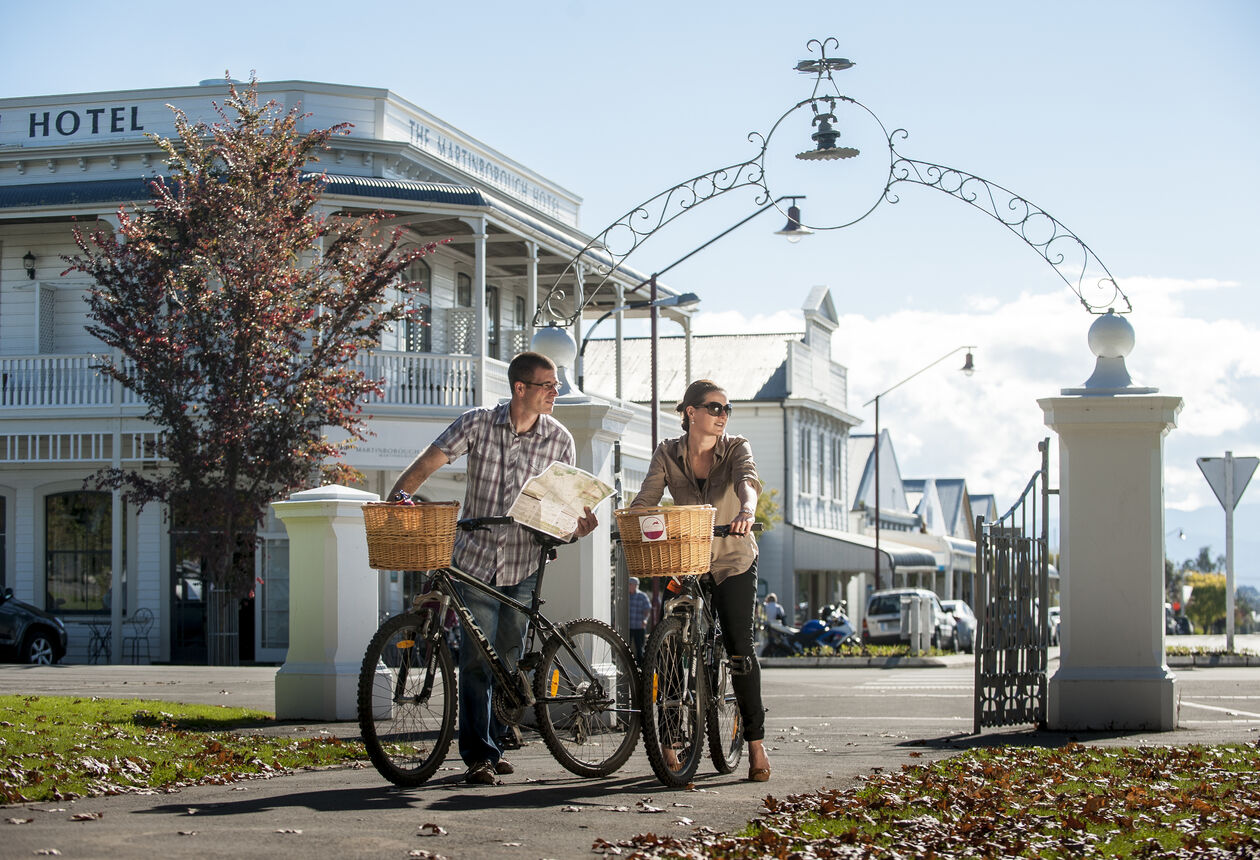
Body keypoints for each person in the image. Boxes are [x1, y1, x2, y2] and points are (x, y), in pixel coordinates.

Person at [386, 351, 598, 786]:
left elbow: (565, 500)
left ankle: (499, 738)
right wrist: (397, 497)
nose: (555, 392)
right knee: (478, 661)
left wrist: (578, 524)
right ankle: (479, 756)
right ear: (520, 388)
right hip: (477, 556)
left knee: (508, 657)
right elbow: (432, 460)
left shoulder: (559, 438)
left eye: (556, 385)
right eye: (548, 385)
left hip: (525, 558)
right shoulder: (478, 422)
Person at [629, 379, 771, 782]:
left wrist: (746, 510)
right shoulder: (667, 454)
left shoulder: (736, 447)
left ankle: (756, 745)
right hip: (688, 560)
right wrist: (630, 520)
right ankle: (671, 739)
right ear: (691, 412)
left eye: (727, 409)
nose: (723, 416)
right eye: (714, 408)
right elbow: (647, 498)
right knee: (672, 645)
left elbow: (748, 481)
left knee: (739, 648)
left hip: (732, 560)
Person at [626, 576, 652, 663]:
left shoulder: (642, 596)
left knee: (639, 648)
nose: (628, 586)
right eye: (628, 584)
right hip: (628, 627)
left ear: (635, 585)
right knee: (625, 648)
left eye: (630, 584)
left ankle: (641, 667)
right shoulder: (626, 596)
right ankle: (628, 666)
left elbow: (647, 609)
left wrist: (645, 620)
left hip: (639, 627)